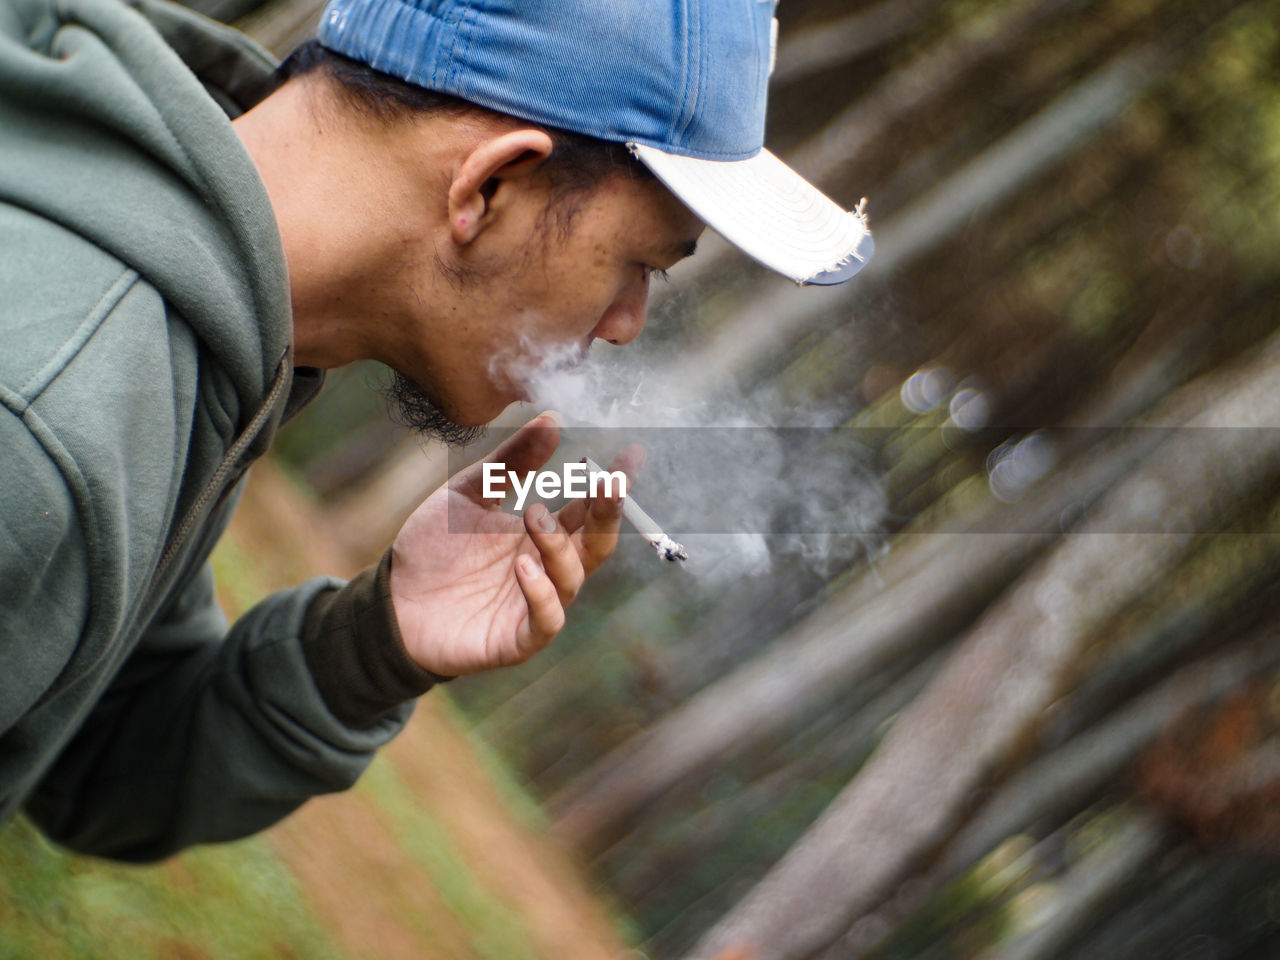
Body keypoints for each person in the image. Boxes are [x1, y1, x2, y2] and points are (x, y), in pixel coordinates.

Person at [0, 0, 872, 860]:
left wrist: (375, 646)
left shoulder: (197, 344)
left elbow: (91, 751)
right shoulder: (43, 432)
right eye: (641, 264)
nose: (625, 325)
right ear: (488, 185)